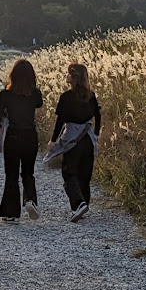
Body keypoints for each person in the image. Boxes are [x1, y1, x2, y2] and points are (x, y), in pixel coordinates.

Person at [45, 63, 102, 223]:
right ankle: (84, 204)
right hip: (88, 138)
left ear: (74, 77)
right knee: (85, 172)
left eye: (68, 73)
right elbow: (98, 116)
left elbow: (60, 121)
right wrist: (96, 134)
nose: (66, 76)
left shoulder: (66, 97)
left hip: (72, 139)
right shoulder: (91, 95)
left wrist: (53, 140)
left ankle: (78, 204)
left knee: (69, 172)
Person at [0, 59, 43, 223]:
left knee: (11, 174)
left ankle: (11, 212)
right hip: (30, 135)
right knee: (28, 172)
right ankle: (30, 200)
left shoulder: (5, 94)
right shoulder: (35, 93)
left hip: (13, 134)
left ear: (12, 75)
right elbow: (39, 104)